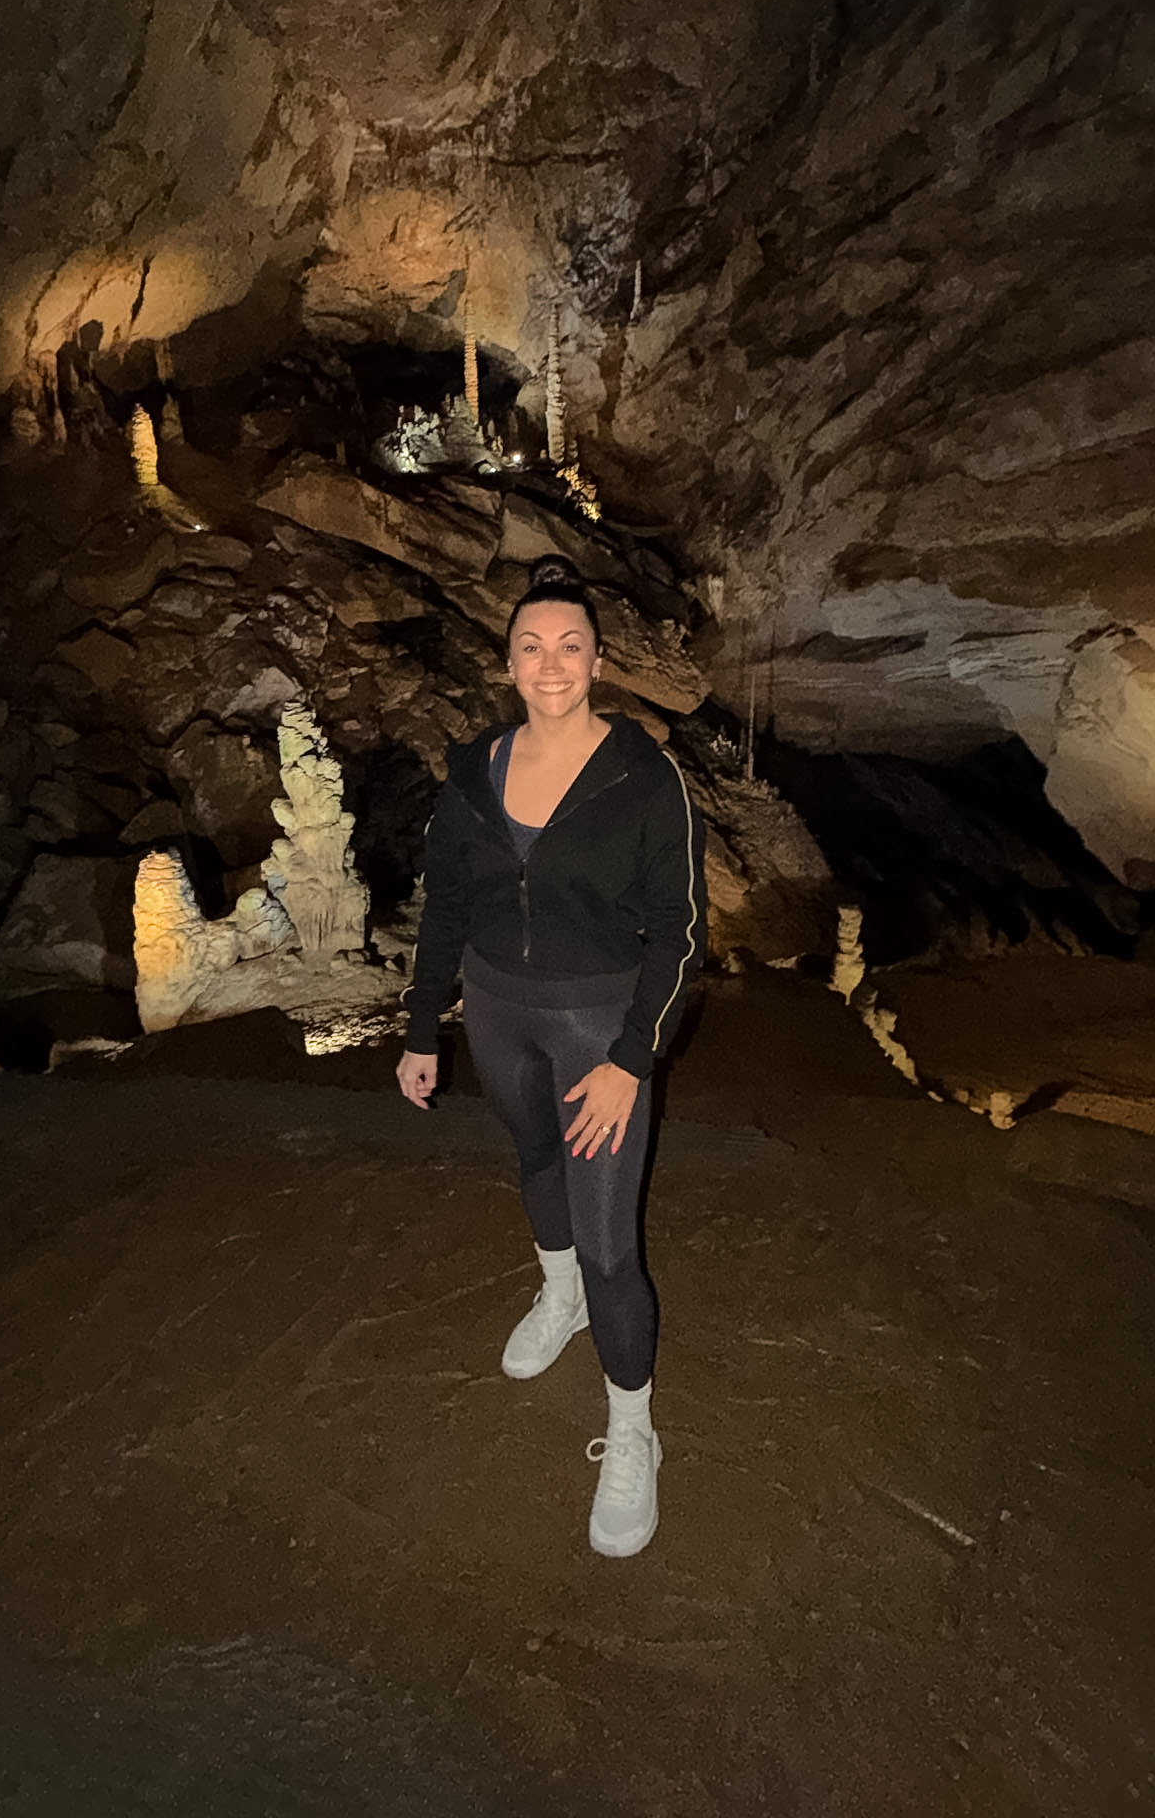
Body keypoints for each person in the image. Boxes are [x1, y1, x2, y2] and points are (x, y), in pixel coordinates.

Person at [396, 554, 707, 1558]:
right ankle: (556, 1292)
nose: (551, 661)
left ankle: (631, 1427)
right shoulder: (471, 772)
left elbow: (681, 929)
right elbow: (445, 905)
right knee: (534, 1161)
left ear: (599, 661)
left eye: (570, 644)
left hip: (595, 1027)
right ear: (508, 663)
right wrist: (418, 1027)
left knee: (612, 1239)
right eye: (532, 645)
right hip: (495, 1008)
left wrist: (630, 1057)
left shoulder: (642, 776)